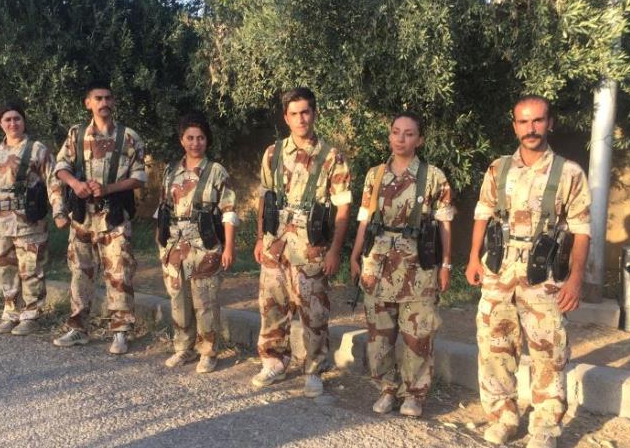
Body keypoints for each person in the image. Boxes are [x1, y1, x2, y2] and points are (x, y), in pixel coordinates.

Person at [466, 96, 591, 448]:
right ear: (514, 126)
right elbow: (482, 215)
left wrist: (576, 278)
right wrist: (473, 258)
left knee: (548, 352)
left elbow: (582, 231)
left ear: (550, 123)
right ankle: (503, 417)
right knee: (494, 348)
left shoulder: (569, 173)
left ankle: (545, 427)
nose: (531, 128)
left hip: (545, 278)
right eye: (524, 122)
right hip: (498, 273)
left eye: (538, 121)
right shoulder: (498, 168)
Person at [349, 112, 454, 418]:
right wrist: (355, 255)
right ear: (389, 135)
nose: (401, 139)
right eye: (396, 132)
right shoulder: (375, 174)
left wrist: (446, 265)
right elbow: (364, 219)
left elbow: (445, 224)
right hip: (378, 264)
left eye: (409, 134)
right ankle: (386, 388)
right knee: (379, 333)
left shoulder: (434, 176)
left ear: (419, 140)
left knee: (417, 334)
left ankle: (414, 394)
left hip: (418, 265)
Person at [251, 87, 352, 398]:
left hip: (311, 247)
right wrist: (259, 238)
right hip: (275, 244)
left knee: (314, 312)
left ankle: (314, 369)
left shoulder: (332, 157)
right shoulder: (273, 153)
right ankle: (274, 362)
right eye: (293, 114)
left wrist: (335, 250)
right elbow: (265, 199)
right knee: (271, 306)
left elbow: (343, 206)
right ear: (286, 117)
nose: (300, 119)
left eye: (305, 112)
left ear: (314, 113)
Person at [52, 81, 146, 355]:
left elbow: (139, 177)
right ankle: (78, 328)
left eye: (107, 98)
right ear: (88, 103)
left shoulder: (128, 137)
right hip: (83, 215)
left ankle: (120, 331)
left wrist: (108, 188)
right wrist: (74, 184)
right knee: (80, 271)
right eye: (98, 98)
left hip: (113, 215)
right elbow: (61, 166)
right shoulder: (76, 134)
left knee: (119, 272)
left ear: (113, 102)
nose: (103, 103)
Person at [156, 111, 238, 374]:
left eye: (200, 138)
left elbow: (229, 212)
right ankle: (183, 348)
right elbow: (163, 209)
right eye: (190, 138)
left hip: (204, 245)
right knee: (178, 300)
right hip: (174, 246)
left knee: (205, 302)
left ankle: (208, 351)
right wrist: (161, 246)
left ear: (207, 140)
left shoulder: (216, 172)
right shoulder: (171, 171)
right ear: (182, 140)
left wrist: (228, 247)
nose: (195, 143)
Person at [0, 102, 60, 335]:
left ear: (24, 121)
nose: (13, 124)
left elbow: (53, 182)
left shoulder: (37, 149)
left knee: (30, 267)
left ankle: (31, 314)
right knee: (3, 266)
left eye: (17, 119)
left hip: (27, 219)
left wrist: (60, 212)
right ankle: (11, 312)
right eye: (8, 119)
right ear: (0, 123)